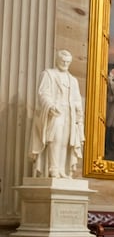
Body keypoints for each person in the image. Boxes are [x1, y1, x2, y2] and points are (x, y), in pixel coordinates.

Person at [30, 49, 85, 178]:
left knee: (66, 141)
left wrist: (79, 114)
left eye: (68, 62)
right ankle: (53, 168)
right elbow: (43, 93)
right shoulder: (48, 74)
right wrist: (50, 106)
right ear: (57, 60)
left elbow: (77, 99)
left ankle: (61, 169)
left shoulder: (73, 80)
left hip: (69, 113)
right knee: (55, 139)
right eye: (63, 61)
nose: (65, 63)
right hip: (55, 112)